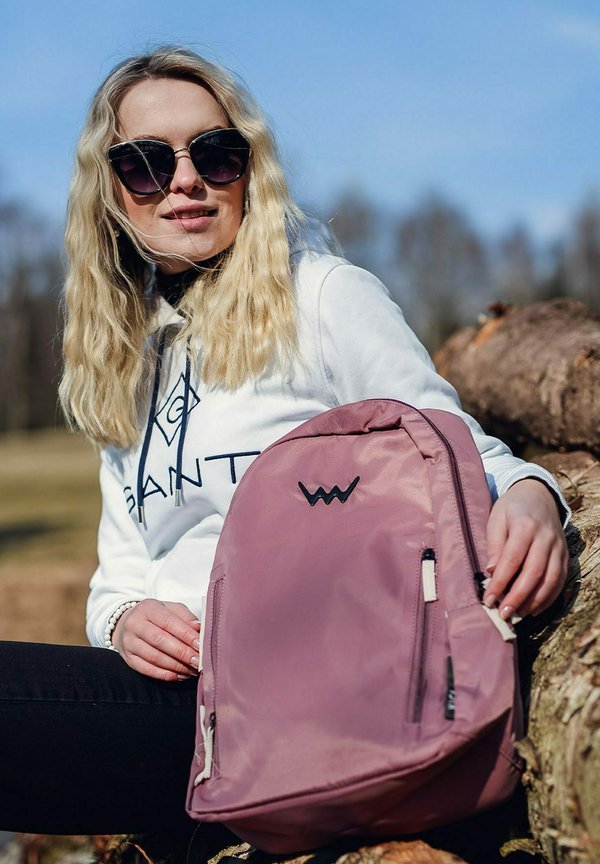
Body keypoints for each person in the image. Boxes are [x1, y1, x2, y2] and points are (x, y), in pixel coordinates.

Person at [0, 46, 569, 839]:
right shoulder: (125, 356)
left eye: (215, 153)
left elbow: (452, 449)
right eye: (146, 164)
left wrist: (537, 499)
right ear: (110, 190)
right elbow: (118, 573)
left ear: (249, 170)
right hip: (179, 701)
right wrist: (124, 619)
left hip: (303, 704)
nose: (185, 181)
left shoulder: (323, 297)